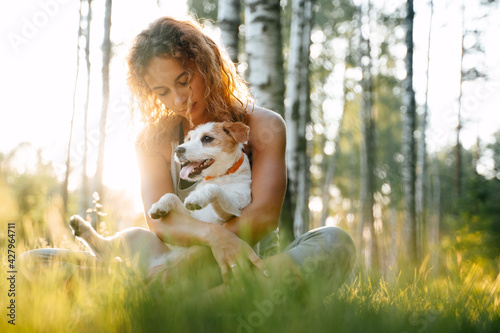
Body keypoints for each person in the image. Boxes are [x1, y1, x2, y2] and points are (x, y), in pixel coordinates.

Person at [20, 16, 355, 295]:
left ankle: (156, 299)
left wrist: (201, 257)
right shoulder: (151, 141)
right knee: (28, 263)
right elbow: (160, 224)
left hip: (246, 261)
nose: (179, 99)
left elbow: (264, 216)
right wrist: (207, 239)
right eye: (162, 91)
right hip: (169, 260)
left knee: (335, 244)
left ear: (206, 65)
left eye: (184, 80)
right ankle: (176, 299)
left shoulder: (263, 125)